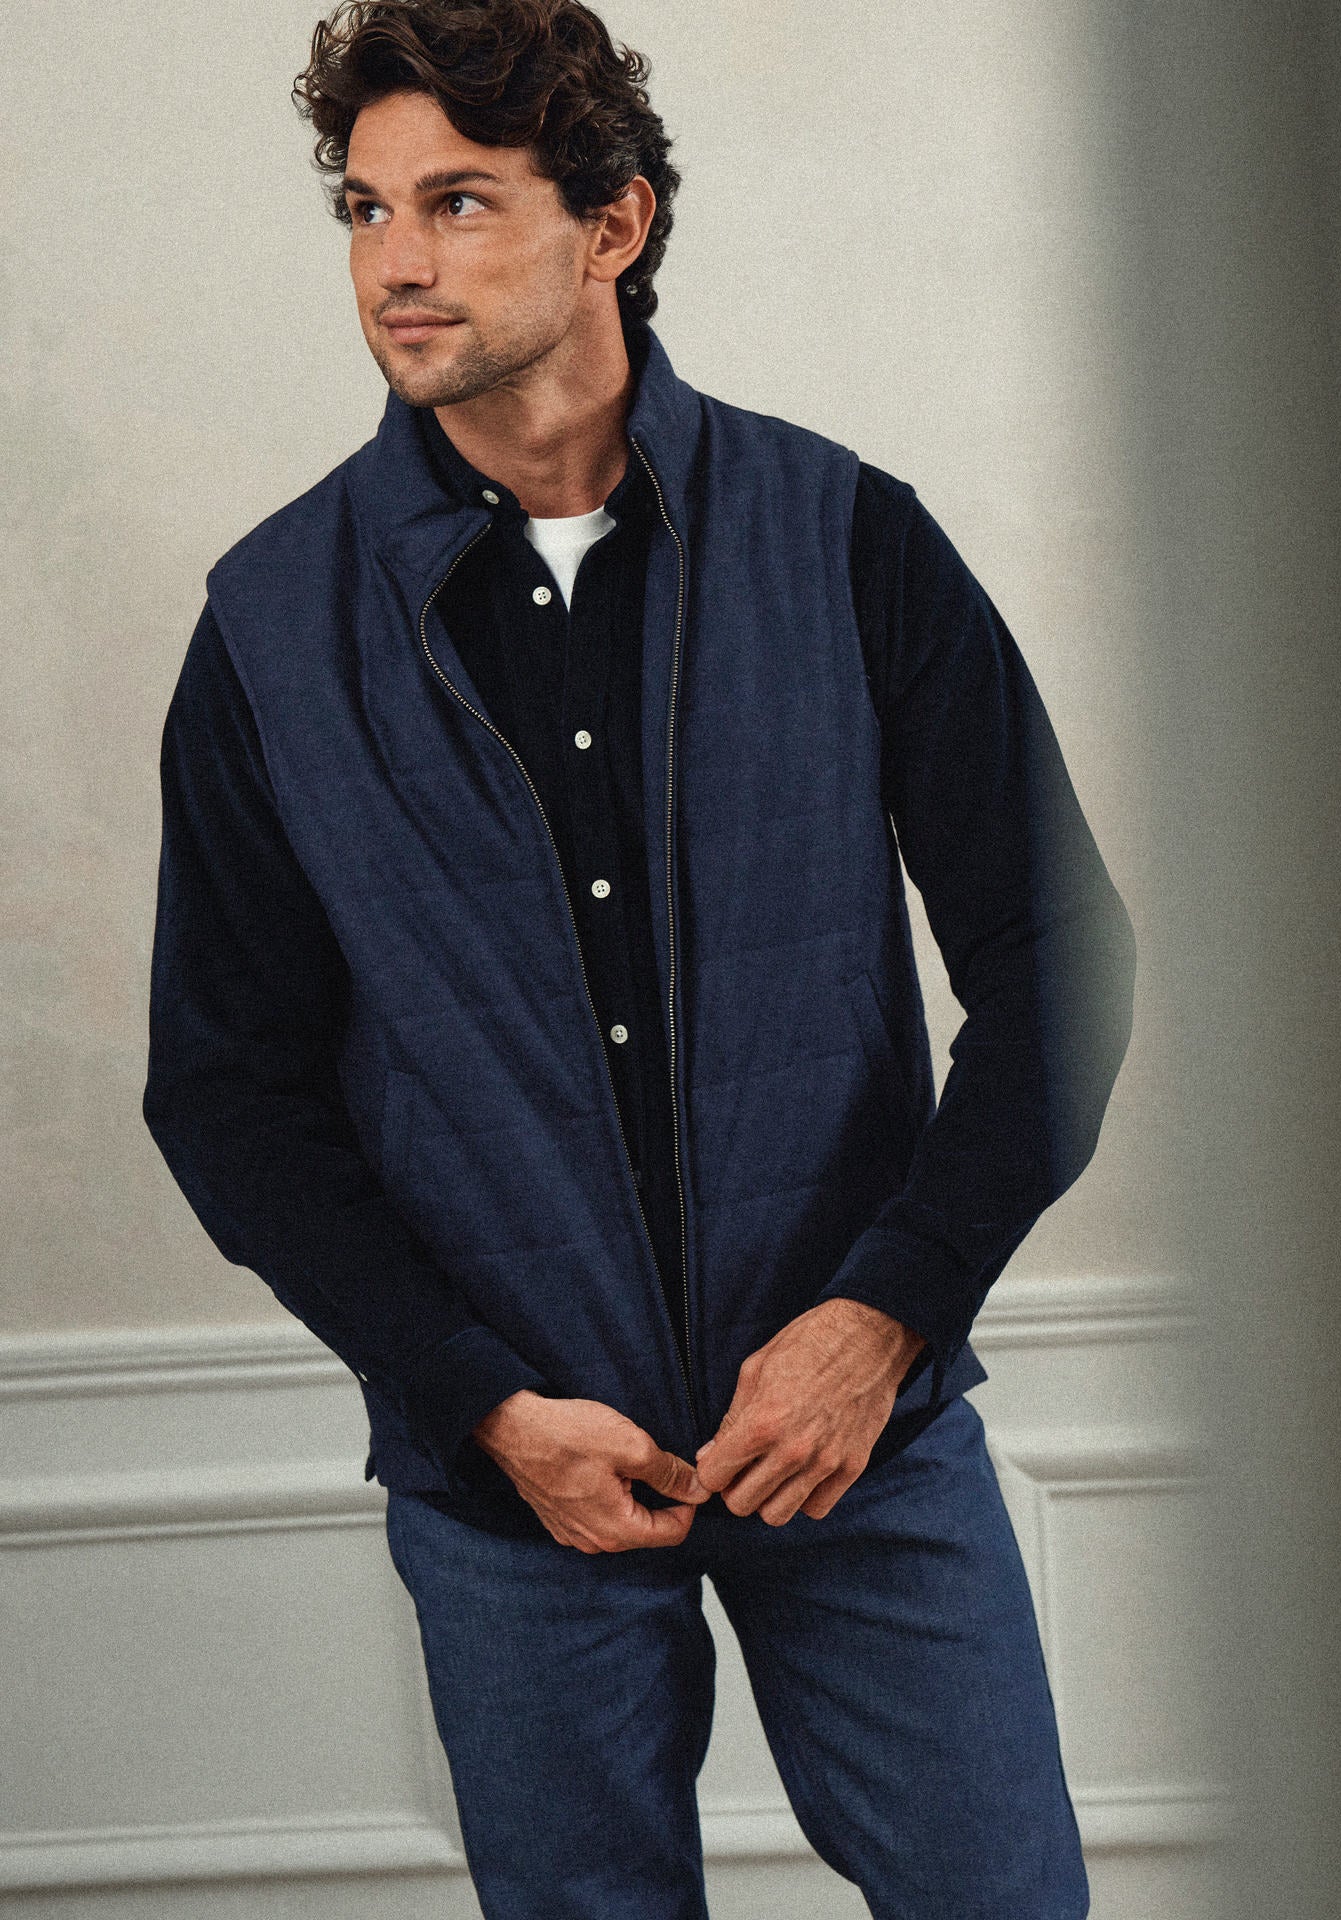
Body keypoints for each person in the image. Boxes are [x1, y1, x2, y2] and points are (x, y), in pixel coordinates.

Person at [143, 2, 1136, 1913]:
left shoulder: (846, 541)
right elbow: (226, 1092)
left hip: (852, 1428)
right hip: (516, 1476)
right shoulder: (269, 629)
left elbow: (1055, 962)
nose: (395, 260)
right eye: (363, 208)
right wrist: (482, 1404)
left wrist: (876, 1325)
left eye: (457, 201)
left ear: (613, 224)